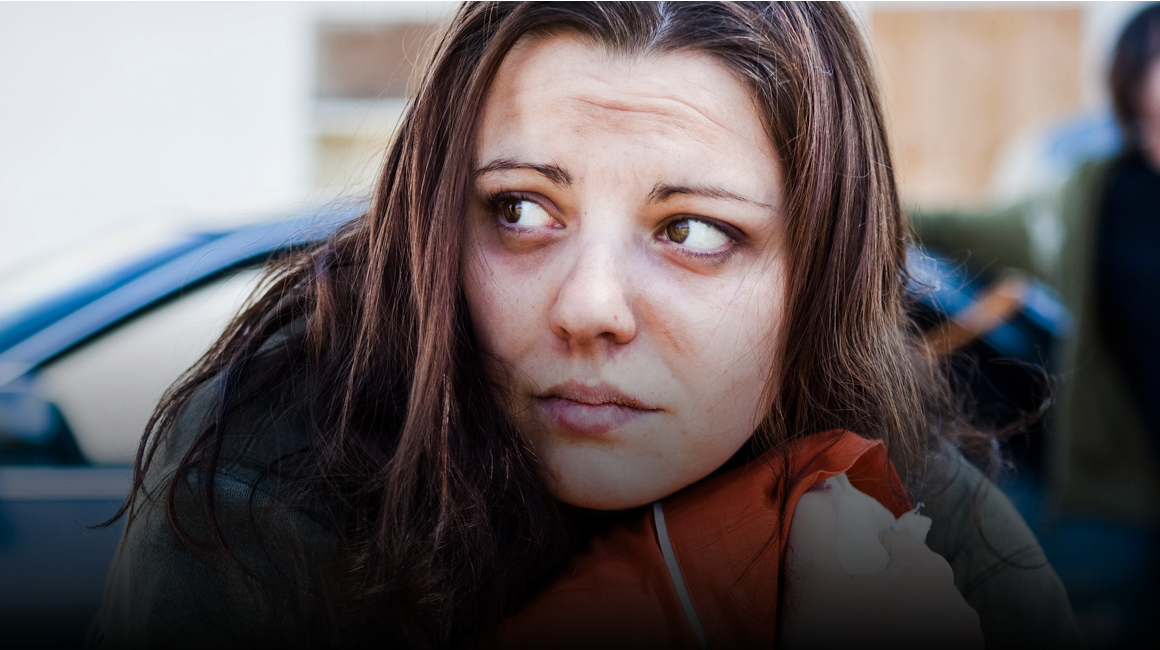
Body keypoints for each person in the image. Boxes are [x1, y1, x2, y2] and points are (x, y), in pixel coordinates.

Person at [87, 3, 1081, 649]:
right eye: (518, 210)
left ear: (814, 276)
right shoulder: (265, 479)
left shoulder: (909, 504)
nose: (588, 306)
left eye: (692, 231)